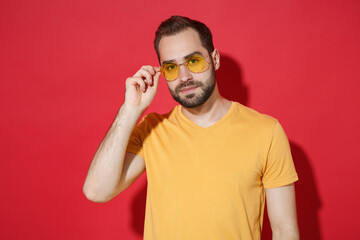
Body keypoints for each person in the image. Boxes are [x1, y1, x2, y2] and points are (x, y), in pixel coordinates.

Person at [83, 15, 299, 240]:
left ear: (214, 59)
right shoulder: (152, 129)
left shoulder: (266, 131)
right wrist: (130, 110)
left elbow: (285, 230)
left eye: (194, 61)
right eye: (171, 67)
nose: (184, 77)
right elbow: (96, 191)